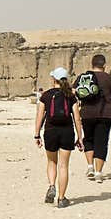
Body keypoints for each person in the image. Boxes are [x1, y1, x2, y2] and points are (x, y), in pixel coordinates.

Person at [34, 67, 83, 208]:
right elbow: (77, 119)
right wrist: (80, 138)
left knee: (51, 162)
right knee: (64, 166)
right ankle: (61, 199)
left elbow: (39, 116)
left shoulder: (46, 96)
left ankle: (51, 185)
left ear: (53, 79)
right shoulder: (71, 96)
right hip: (67, 132)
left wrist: (37, 134)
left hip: (50, 132)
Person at [76, 54, 111, 184]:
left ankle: (90, 166)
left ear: (92, 64)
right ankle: (98, 173)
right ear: (104, 65)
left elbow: (74, 93)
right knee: (101, 143)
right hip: (104, 115)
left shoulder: (83, 77)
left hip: (86, 114)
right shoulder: (109, 79)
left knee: (89, 140)